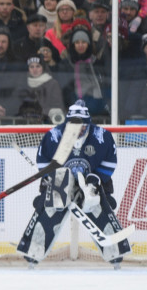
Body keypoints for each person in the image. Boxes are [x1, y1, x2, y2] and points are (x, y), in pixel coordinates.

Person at [16, 100, 131, 269]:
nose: (78, 130)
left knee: (97, 205)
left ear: (88, 123)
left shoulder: (101, 136)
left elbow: (109, 161)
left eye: (82, 126)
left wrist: (94, 180)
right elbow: (42, 161)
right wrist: (52, 175)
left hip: (91, 180)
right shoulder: (54, 136)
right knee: (51, 207)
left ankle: (115, 254)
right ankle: (33, 253)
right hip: (61, 179)